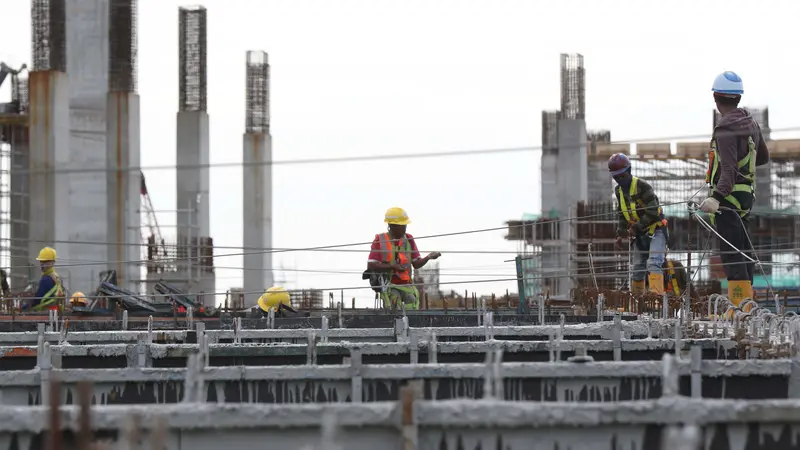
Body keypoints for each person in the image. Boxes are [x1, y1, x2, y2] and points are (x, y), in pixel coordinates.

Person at [699, 71, 770, 307]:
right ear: (738, 98)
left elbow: (728, 171)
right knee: (742, 248)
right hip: (746, 195)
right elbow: (762, 158)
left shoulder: (725, 128)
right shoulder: (750, 123)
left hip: (729, 197)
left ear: (717, 97)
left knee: (730, 252)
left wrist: (716, 197)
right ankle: (747, 301)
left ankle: (739, 304)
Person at [609, 153, 669, 295]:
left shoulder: (642, 186)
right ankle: (638, 304)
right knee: (637, 269)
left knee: (653, 262)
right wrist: (620, 234)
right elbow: (622, 213)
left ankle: (657, 301)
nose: (619, 180)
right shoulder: (618, 191)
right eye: (616, 177)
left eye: (622, 176)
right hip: (640, 234)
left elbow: (653, 211)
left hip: (656, 230)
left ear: (629, 171)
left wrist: (635, 227)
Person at [366, 207, 441, 310]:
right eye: (403, 225)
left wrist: (428, 257)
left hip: (406, 285)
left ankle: (410, 324)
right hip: (390, 286)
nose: (405, 227)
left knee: (411, 302)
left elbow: (416, 264)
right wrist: (392, 266)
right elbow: (371, 265)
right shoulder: (380, 240)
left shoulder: (409, 239)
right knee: (394, 304)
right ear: (392, 225)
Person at [25, 246, 65, 311]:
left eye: (45, 262)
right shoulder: (56, 277)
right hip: (56, 311)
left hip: (46, 312)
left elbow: (38, 299)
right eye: (41, 261)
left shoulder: (46, 279)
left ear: (53, 262)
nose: (42, 264)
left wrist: (24, 307)